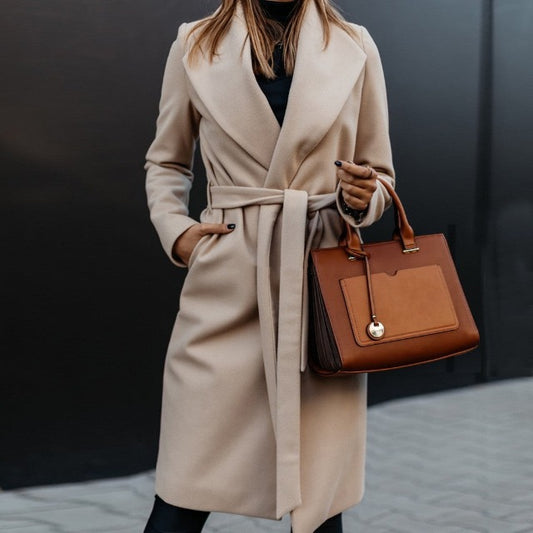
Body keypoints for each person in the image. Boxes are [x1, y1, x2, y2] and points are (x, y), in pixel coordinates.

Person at [143, 0, 395, 531]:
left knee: (321, 503)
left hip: (320, 285)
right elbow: (166, 161)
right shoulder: (194, 44)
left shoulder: (356, 45)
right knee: (182, 492)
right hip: (230, 280)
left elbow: (381, 176)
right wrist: (181, 234)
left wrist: (361, 197)